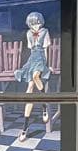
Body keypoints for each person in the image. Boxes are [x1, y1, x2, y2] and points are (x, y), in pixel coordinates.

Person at [14, 11, 51, 140]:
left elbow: (46, 50)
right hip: (32, 59)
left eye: (37, 23)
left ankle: (45, 105)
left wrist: (47, 65)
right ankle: (25, 128)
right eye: (33, 24)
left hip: (41, 59)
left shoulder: (45, 32)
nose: (36, 26)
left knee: (36, 76)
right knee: (29, 89)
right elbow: (31, 50)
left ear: (41, 23)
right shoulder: (29, 34)